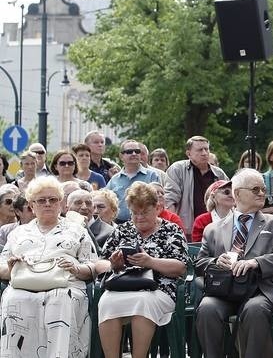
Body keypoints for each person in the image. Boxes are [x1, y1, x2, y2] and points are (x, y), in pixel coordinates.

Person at [194, 168, 273, 358]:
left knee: (254, 310)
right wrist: (216, 261)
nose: (262, 193)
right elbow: (199, 263)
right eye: (256, 189)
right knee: (207, 308)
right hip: (224, 290)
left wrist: (256, 262)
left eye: (263, 189)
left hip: (260, 289)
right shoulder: (213, 229)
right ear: (237, 193)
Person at [0, 176, 101, 357]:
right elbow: (2, 267)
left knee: (60, 298)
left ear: (61, 203)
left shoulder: (77, 230)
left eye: (53, 199)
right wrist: (10, 266)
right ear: (31, 205)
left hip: (66, 285)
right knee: (14, 298)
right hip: (24, 284)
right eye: (41, 200)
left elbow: (93, 266)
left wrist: (76, 268)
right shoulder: (18, 233)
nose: (48, 204)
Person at [98, 181, 188, 358]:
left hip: (159, 289)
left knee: (143, 302)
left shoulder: (171, 230)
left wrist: (150, 262)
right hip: (122, 287)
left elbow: (180, 267)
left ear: (157, 208)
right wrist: (114, 265)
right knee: (106, 302)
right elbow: (100, 263)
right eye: (134, 213)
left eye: (144, 212)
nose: (139, 218)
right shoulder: (122, 230)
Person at [164, 136, 227, 238]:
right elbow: (170, 200)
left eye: (206, 149)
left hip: (215, 230)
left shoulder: (218, 174)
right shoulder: (177, 169)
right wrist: (174, 227)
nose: (204, 153)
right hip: (186, 230)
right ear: (189, 154)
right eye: (199, 150)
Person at [106, 140, 161, 224]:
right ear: (121, 156)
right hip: (119, 224)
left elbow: (158, 201)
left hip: (145, 223)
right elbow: (107, 202)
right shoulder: (114, 179)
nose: (134, 154)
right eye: (129, 151)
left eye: (137, 151)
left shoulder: (152, 176)